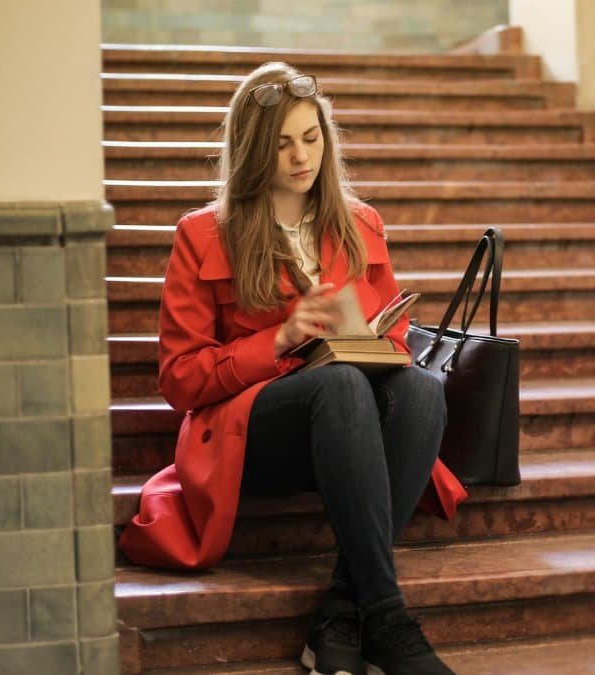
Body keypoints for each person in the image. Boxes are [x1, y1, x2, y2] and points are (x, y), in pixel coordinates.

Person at [118, 62, 468, 675]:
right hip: (251, 436)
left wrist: (372, 338)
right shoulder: (203, 235)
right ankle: (387, 619)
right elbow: (180, 379)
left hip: (350, 424)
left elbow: (400, 341)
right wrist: (278, 339)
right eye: (282, 143)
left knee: (420, 389)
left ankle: (343, 608)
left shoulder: (360, 224)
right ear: (254, 150)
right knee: (334, 384)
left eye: (311, 138)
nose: (301, 156)